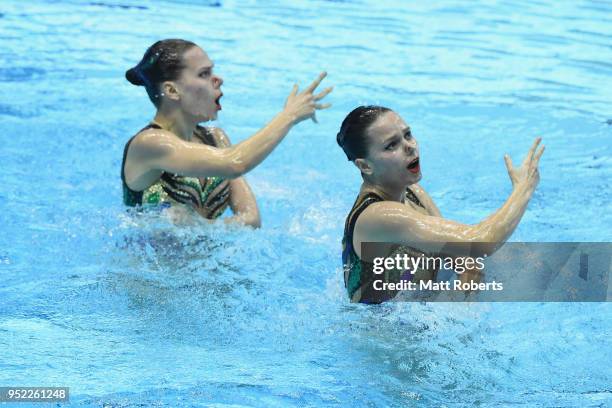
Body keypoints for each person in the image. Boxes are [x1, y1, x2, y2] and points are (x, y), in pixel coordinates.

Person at [337, 106, 545, 303]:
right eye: (391, 145)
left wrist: (459, 304)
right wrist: (523, 188)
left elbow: (464, 256)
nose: (410, 146)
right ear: (365, 165)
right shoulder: (378, 216)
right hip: (379, 334)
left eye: (407, 134)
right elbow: (480, 241)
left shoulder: (413, 193)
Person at [122, 39, 332, 227]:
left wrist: (199, 227)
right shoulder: (149, 144)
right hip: (147, 270)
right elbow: (235, 163)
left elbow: (251, 219)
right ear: (172, 90)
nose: (218, 79)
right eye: (204, 74)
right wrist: (289, 116)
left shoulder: (215, 139)